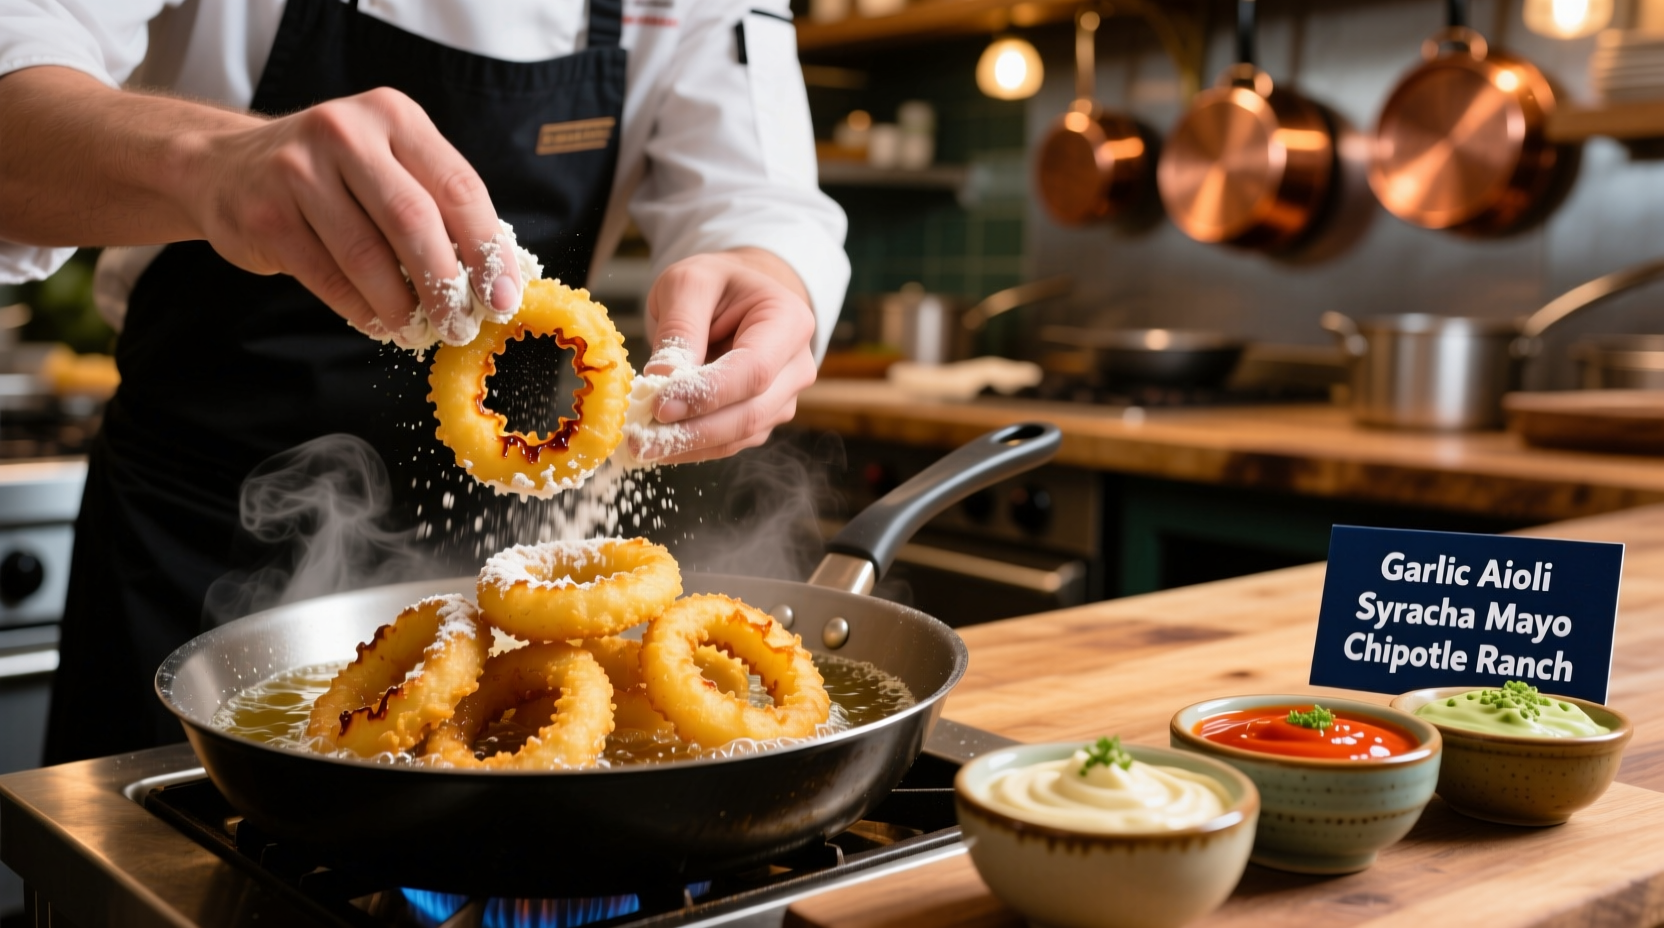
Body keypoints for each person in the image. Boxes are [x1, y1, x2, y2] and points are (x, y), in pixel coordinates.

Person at [0, 0, 850, 763]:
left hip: (509, 552)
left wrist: (764, 277)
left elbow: (761, 197)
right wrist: (211, 162)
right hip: (187, 537)